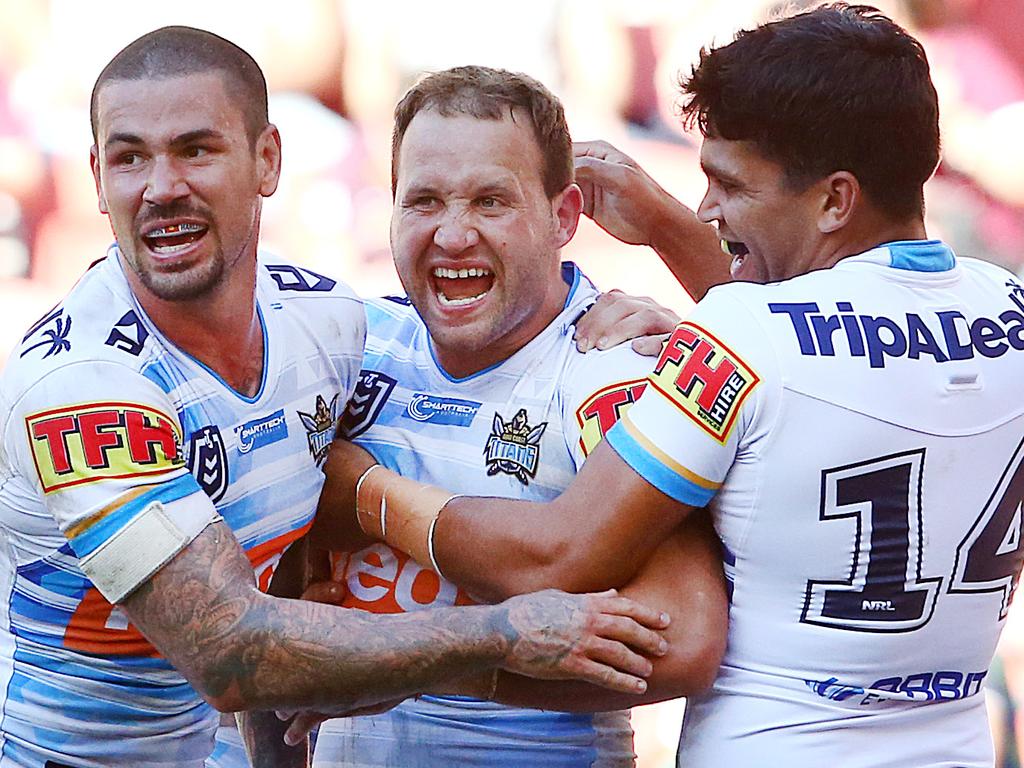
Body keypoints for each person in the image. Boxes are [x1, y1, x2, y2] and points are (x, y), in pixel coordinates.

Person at [323, 4, 1024, 766]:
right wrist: (662, 228)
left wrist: (365, 494)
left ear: (834, 199)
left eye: (728, 184)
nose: (705, 209)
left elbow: (560, 558)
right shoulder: (1010, 312)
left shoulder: (741, 338)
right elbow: (826, 354)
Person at [0, 26, 673, 768]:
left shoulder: (334, 328)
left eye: (196, 149)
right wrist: (506, 634)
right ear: (95, 177)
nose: (161, 187)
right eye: (130, 158)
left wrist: (675, 329)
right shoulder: (81, 387)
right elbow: (232, 651)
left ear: (268, 160)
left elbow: (284, 606)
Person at [277, 66, 726, 768]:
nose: (453, 236)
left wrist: (400, 658)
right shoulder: (348, 348)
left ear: (564, 217)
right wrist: (299, 587)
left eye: (491, 201)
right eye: (423, 201)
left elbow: (682, 642)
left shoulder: (613, 367)